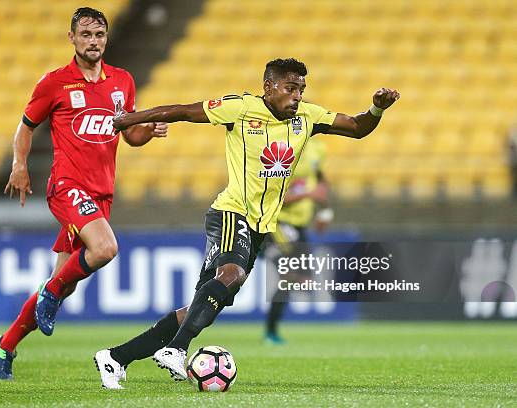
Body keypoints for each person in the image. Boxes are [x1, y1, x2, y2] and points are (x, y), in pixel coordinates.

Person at [93, 58, 399, 389]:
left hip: (259, 227)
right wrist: (129, 120)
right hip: (230, 212)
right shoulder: (239, 108)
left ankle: (115, 357)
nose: (297, 97)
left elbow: (356, 127)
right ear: (269, 87)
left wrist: (376, 109)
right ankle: (176, 350)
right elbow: (181, 111)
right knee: (232, 274)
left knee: (203, 305)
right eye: (290, 88)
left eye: (301, 90)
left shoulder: (307, 117)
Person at [0, 7, 168, 380]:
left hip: (101, 194)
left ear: (106, 37)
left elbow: (128, 134)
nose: (93, 42)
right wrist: (19, 165)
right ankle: (50, 293)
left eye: (99, 35)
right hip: (66, 186)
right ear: (72, 38)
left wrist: (146, 131)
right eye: (85, 35)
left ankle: (3, 345)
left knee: (63, 286)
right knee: (104, 249)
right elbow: (25, 127)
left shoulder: (122, 81)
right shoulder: (55, 82)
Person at [263, 137, 333, 344]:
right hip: (278, 222)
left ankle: (271, 331)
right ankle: (271, 331)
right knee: (292, 275)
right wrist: (309, 194)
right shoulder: (278, 150)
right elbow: (274, 198)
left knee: (296, 279)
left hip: (301, 224)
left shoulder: (317, 148)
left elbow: (321, 180)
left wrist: (325, 212)